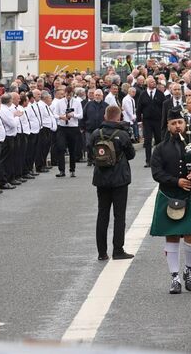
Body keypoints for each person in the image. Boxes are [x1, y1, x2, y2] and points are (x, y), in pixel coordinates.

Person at [150, 108, 191, 294]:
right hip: (169, 195)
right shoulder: (160, 149)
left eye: (180, 122)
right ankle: (175, 277)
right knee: (172, 235)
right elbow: (156, 173)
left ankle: (189, 270)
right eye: (173, 123)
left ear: (185, 124)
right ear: (168, 126)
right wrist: (176, 181)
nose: (177, 126)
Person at [88, 105, 136, 261]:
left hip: (101, 178)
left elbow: (90, 153)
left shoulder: (96, 133)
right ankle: (118, 250)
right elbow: (131, 154)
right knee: (119, 215)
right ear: (119, 117)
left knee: (102, 214)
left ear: (105, 116)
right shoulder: (122, 134)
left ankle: (102, 252)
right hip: (119, 179)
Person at [52, 87, 83, 178]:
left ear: (73, 94)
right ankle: (61, 170)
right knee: (61, 147)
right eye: (67, 94)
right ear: (65, 93)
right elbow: (54, 114)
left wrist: (73, 115)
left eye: (70, 95)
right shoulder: (59, 102)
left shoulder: (77, 102)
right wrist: (60, 117)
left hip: (73, 127)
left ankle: (72, 169)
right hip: (62, 127)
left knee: (72, 150)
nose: (69, 96)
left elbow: (81, 115)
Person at [138, 77, 165, 167]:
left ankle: (159, 159)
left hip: (158, 121)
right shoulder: (143, 94)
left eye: (154, 82)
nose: (154, 83)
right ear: (147, 83)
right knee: (148, 141)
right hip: (147, 121)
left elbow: (164, 107)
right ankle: (148, 160)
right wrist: (139, 121)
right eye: (152, 82)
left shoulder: (160, 94)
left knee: (159, 140)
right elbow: (139, 108)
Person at [83, 90, 109, 167]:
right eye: (96, 95)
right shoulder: (88, 104)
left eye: (99, 95)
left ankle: (96, 159)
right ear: (94, 96)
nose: (97, 96)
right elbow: (84, 115)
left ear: (102, 96)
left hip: (101, 129)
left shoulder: (106, 105)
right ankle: (90, 158)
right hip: (89, 128)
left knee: (98, 145)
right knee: (89, 144)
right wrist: (82, 126)